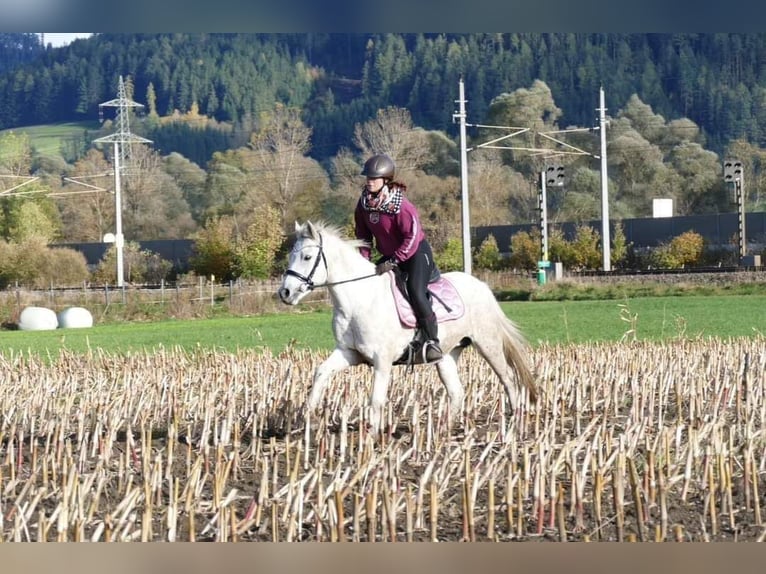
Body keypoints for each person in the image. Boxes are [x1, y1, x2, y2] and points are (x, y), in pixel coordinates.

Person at [354, 153, 443, 363]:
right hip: (389, 256)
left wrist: (394, 261)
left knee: (415, 291)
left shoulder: (401, 205)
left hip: (415, 254)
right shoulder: (364, 204)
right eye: (367, 177)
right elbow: (362, 235)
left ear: (386, 180)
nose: (369, 181)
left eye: (373, 178)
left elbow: (412, 237)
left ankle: (432, 342)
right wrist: (364, 263)